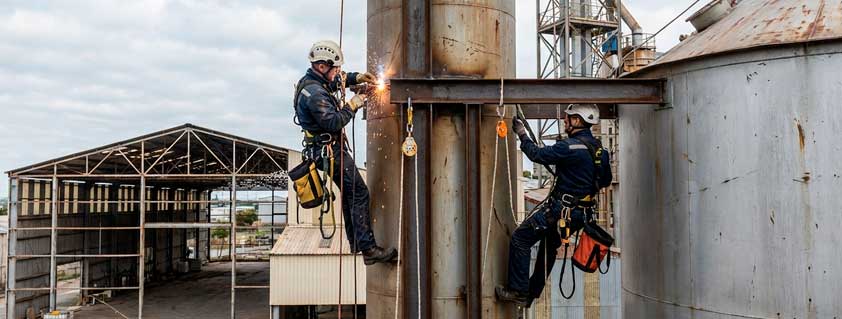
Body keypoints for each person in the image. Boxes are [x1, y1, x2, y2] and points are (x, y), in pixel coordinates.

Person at [496, 104, 613, 306]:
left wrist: (522, 134)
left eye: (568, 118)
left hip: (560, 211)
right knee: (548, 249)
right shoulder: (600, 151)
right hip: (579, 216)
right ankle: (531, 294)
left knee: (520, 239)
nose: (564, 121)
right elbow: (604, 181)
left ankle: (518, 291)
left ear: (577, 121)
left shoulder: (568, 147)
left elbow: (537, 155)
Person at [293, 40, 397, 265]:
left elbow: (337, 80)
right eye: (336, 68)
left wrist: (357, 77)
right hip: (329, 152)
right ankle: (368, 249)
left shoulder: (314, 81)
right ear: (323, 66)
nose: (339, 73)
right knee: (359, 193)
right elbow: (334, 122)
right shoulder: (315, 94)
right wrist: (354, 104)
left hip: (324, 150)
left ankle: (358, 243)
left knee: (351, 194)